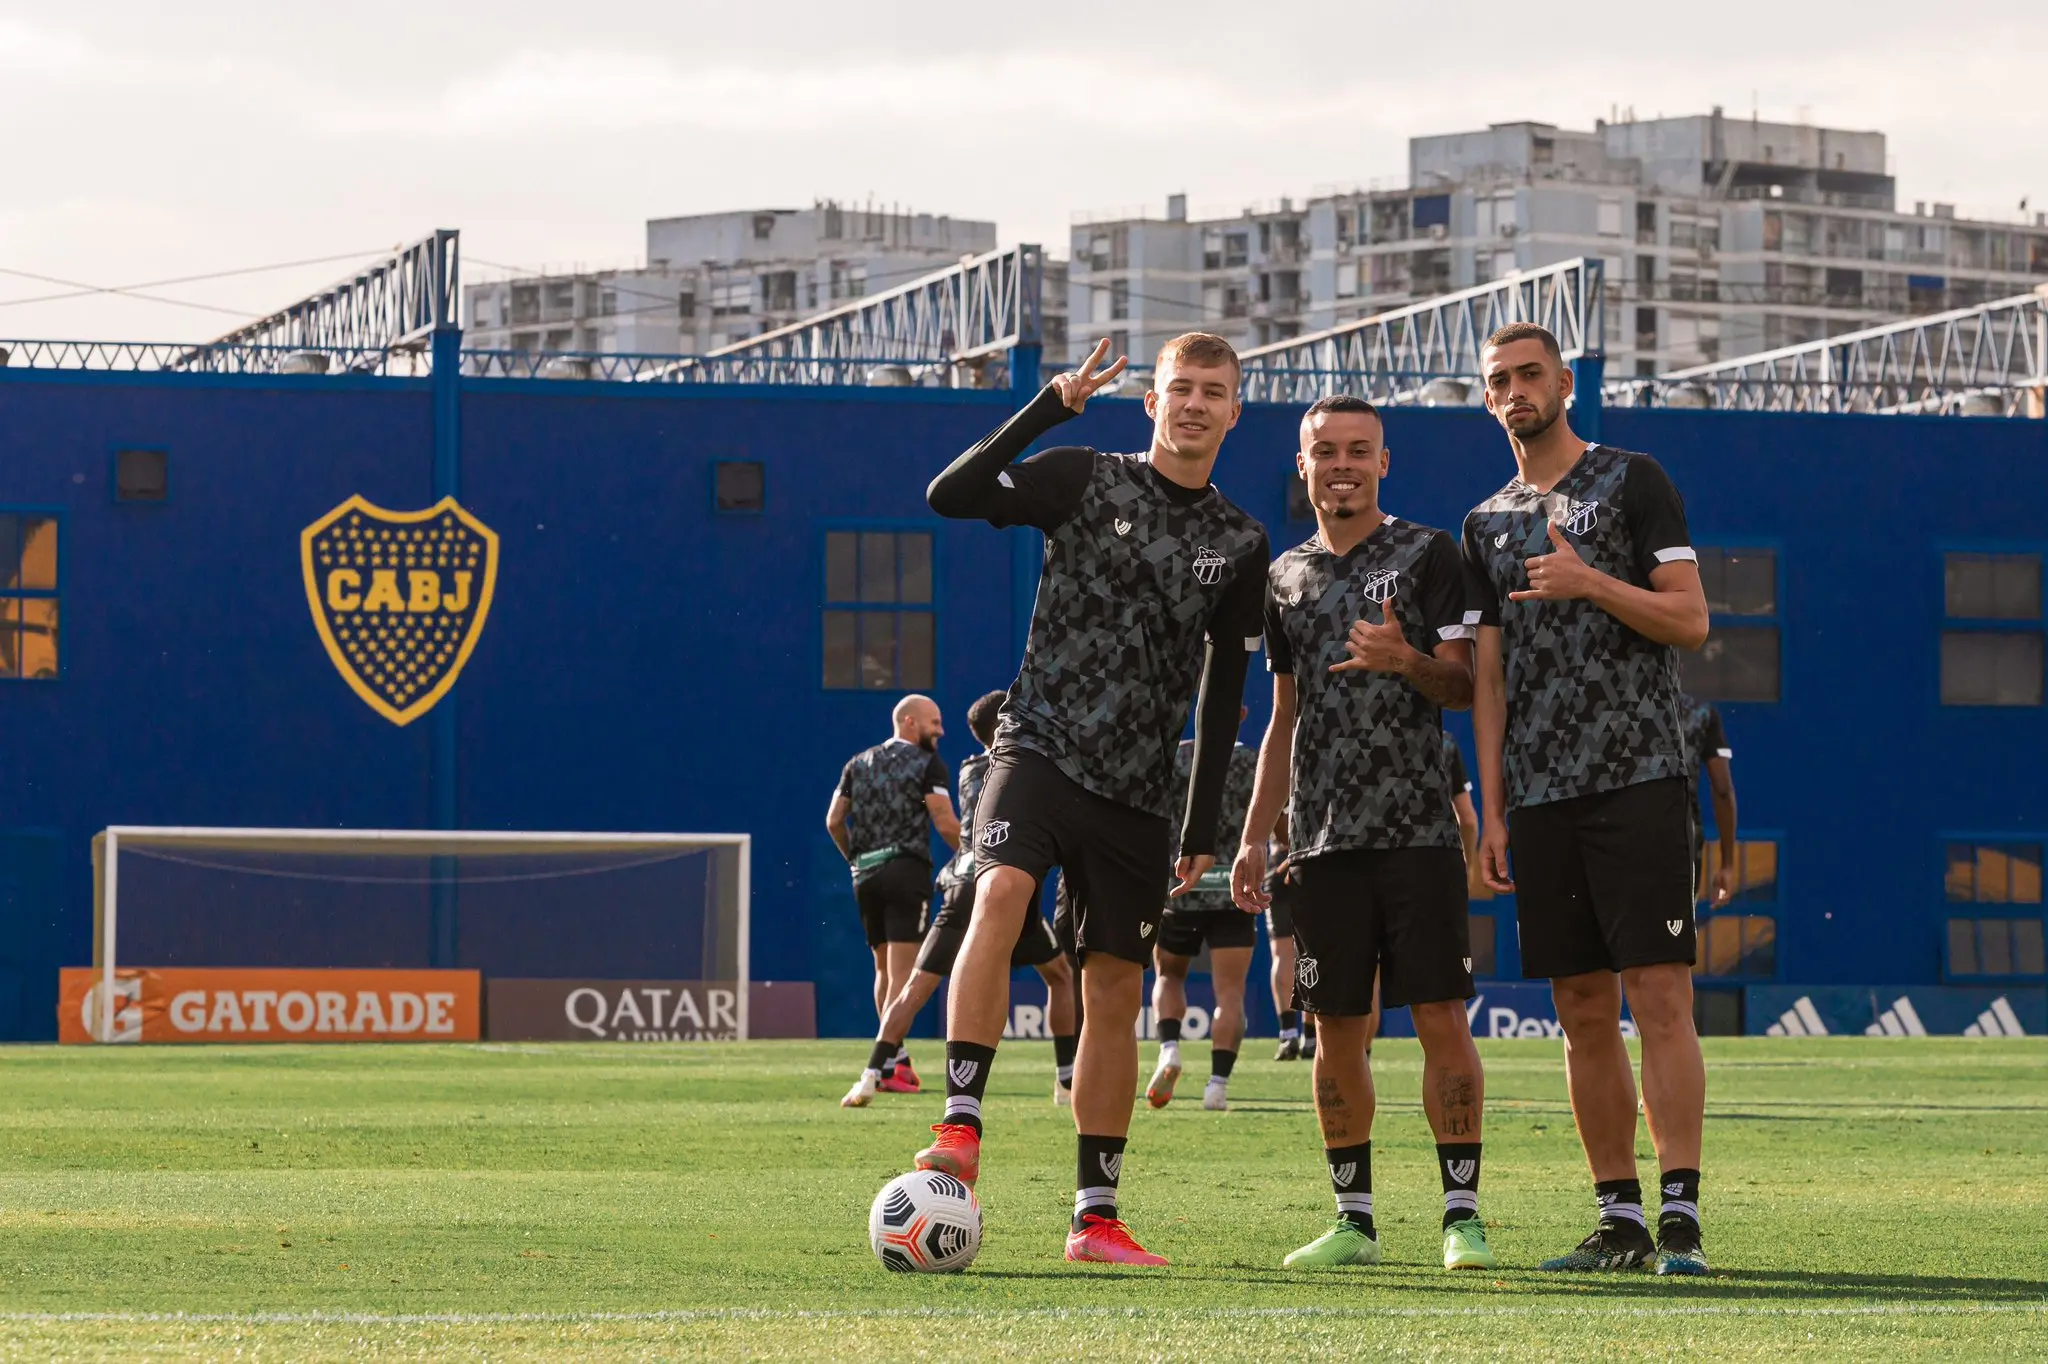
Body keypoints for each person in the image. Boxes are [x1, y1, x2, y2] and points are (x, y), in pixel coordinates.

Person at [917, 334, 1269, 1267]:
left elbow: (1225, 691)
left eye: (1214, 393)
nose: (1194, 404)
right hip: (1039, 745)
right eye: (1179, 389)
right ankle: (961, 1126)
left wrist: (1200, 827)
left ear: (1237, 411)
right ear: (1150, 401)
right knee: (997, 894)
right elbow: (949, 496)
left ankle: (1096, 1220)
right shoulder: (1082, 475)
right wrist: (1048, 407)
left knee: (1115, 986)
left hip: (1141, 791)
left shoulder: (1240, 541)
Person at [1461, 322, 1712, 1276]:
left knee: (1658, 996)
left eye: (1532, 374)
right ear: (1488, 400)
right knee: (1577, 1007)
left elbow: (1689, 620)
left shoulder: (1632, 479)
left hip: (1640, 776)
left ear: (1565, 381)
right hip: (1538, 795)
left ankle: (1681, 1217)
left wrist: (1589, 581)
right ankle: (1620, 1218)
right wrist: (1490, 809)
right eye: (1500, 381)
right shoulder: (1484, 524)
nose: (1518, 390)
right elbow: (1487, 679)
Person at [1233, 394, 1494, 1272]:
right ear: (1302, 465)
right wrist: (1253, 834)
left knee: (1439, 1020)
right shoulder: (1284, 575)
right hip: (1320, 843)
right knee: (1336, 1029)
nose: (1341, 464)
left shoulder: (1428, 554)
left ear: (1385, 462)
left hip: (1419, 832)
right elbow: (1281, 720)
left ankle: (1463, 1216)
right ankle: (1354, 1221)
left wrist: (1405, 661)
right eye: (1324, 452)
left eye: (1359, 451)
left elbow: (1463, 687)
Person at [843, 691, 1078, 1108]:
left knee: (914, 985)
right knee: (1060, 976)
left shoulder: (969, 768)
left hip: (959, 880)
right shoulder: (1029, 764)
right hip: (1002, 882)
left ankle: (868, 1076)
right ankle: (1065, 1081)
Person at [825, 694, 961, 1090]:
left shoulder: (857, 762)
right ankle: (887, 1065)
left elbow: (834, 821)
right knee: (904, 975)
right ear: (909, 721)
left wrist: (855, 860)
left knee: (883, 969)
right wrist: (975, 857)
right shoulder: (928, 764)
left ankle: (895, 1059)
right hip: (905, 871)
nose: (940, 730)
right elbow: (944, 820)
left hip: (864, 874)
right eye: (934, 722)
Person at [1146, 710, 1260, 1111]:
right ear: (1241, 716)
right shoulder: (1253, 762)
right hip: (1235, 886)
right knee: (1230, 992)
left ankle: (1170, 1048)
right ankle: (1217, 1086)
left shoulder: (1174, 758)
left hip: (1182, 885)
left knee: (1169, 974)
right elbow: (1274, 827)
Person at [1679, 692, 1738, 908]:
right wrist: (1727, 866)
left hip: (1622, 845)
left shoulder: (1616, 712)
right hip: (1682, 846)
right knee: (1675, 935)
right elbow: (1722, 789)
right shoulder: (1700, 714)